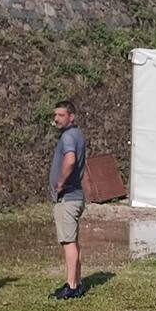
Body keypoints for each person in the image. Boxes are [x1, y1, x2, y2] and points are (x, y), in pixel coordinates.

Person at [49, 100, 87, 300]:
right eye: (55, 115)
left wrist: (60, 184)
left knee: (68, 242)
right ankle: (78, 282)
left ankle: (71, 285)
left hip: (68, 197)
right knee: (73, 242)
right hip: (77, 196)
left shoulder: (68, 137)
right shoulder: (77, 134)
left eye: (61, 115)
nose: (56, 119)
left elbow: (70, 160)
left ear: (71, 116)